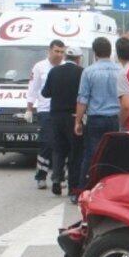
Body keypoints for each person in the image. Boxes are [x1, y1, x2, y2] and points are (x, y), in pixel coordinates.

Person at [75, 37, 121, 187]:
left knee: (91, 155)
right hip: (115, 119)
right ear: (110, 52)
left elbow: (83, 99)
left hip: (95, 119)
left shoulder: (89, 72)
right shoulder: (120, 71)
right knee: (113, 156)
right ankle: (111, 189)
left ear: (95, 53)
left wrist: (78, 121)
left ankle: (85, 188)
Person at [42, 46, 85, 199]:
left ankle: (56, 179)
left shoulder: (54, 71)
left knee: (58, 149)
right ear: (79, 58)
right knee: (75, 151)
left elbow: (45, 93)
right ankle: (73, 187)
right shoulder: (82, 73)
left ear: (65, 56)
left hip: (56, 117)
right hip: (74, 117)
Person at [26, 40, 66, 190]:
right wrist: (29, 108)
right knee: (47, 143)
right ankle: (41, 176)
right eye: (56, 51)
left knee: (61, 145)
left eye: (62, 52)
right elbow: (33, 88)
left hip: (62, 111)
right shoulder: (40, 67)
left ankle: (59, 176)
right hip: (45, 110)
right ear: (50, 51)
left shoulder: (65, 67)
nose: (59, 55)